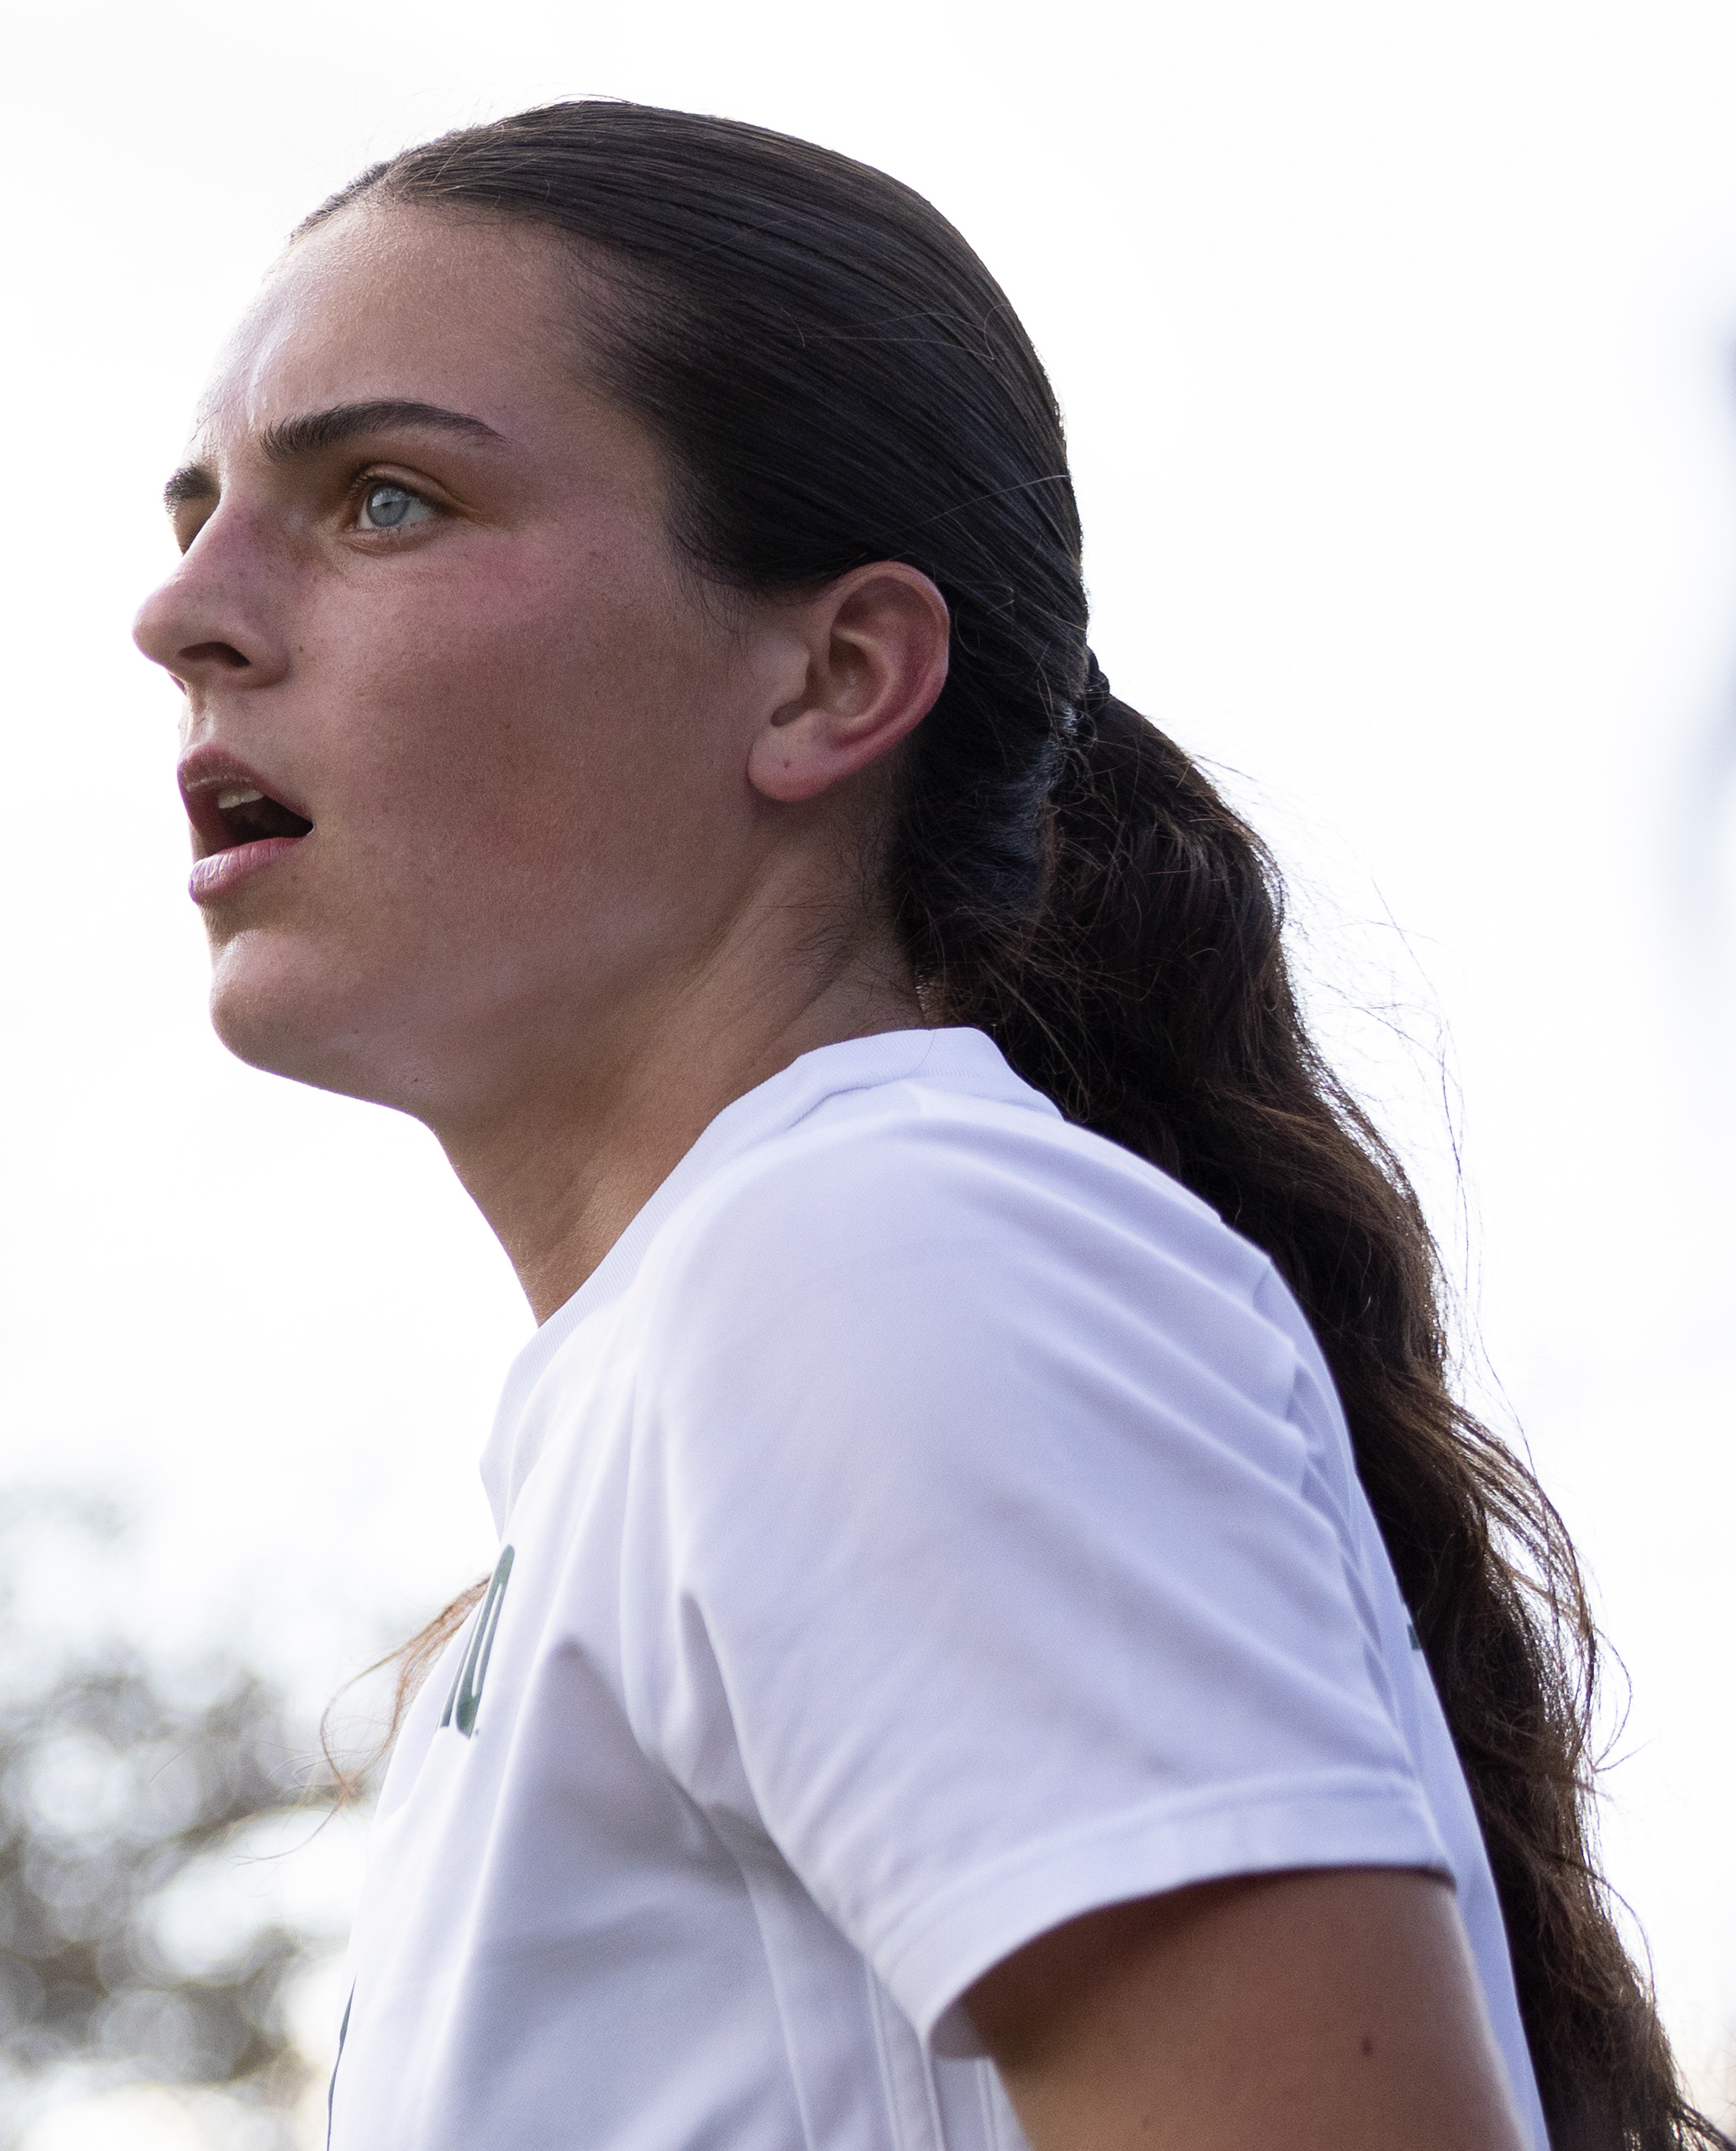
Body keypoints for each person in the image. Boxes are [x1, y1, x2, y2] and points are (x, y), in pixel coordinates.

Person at [130, 102, 1719, 2151]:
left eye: (387, 501)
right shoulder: (716, 1353)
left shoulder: (871, 1259)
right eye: (198, 512)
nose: (186, 615)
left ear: (834, 677)